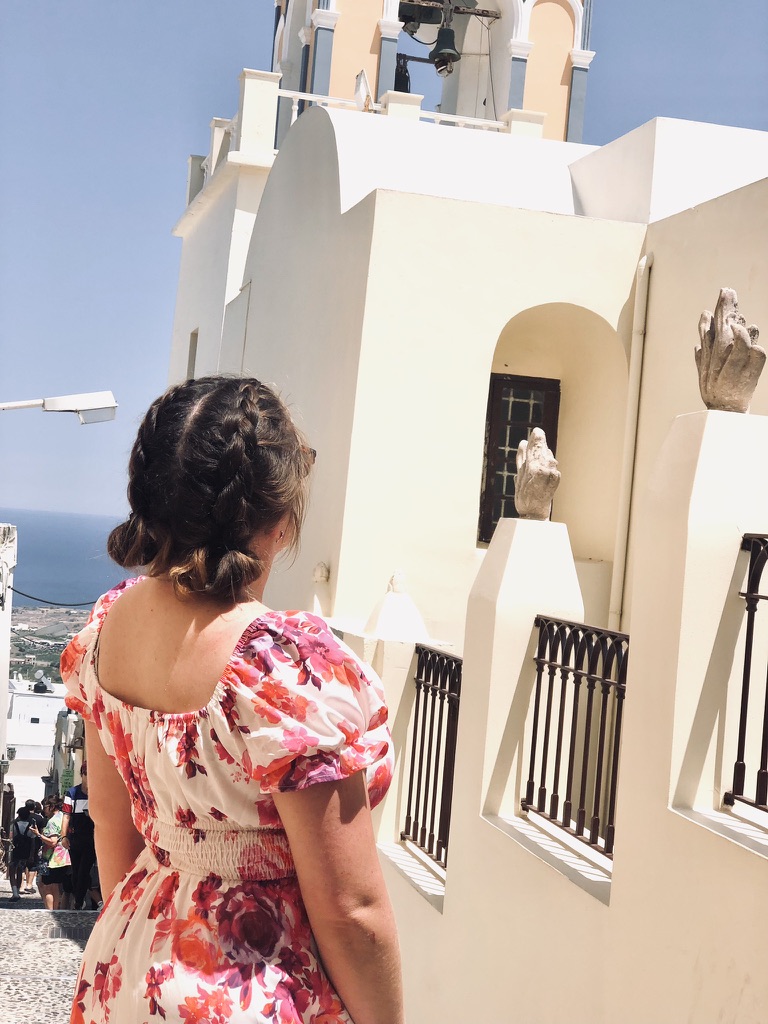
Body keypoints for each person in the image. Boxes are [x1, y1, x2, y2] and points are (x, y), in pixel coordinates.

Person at [60, 376, 404, 1024]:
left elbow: (111, 820)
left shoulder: (104, 632)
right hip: (249, 992)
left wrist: (138, 950)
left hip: (132, 964)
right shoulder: (285, 669)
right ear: (278, 521)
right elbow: (351, 912)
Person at [60, 763, 96, 909]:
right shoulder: (72, 793)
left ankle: (79, 900)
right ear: (82, 775)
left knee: (84, 870)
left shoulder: (98, 792)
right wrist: (64, 836)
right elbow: (66, 816)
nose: (89, 777)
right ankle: (78, 897)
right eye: (87, 774)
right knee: (76, 871)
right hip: (75, 837)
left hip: (92, 838)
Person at [32, 795, 72, 910]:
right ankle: (55, 910)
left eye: (45, 807)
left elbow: (53, 841)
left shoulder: (52, 821)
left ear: (51, 806)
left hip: (54, 858)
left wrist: (38, 834)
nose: (44, 810)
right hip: (64, 857)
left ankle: (50, 911)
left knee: (47, 886)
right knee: (56, 886)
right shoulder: (63, 817)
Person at [8, 806, 36, 900]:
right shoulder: (31, 827)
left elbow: (10, 838)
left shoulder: (14, 825)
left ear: (19, 815)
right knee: (20, 870)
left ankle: (15, 892)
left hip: (14, 851)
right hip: (25, 852)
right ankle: (18, 890)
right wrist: (31, 855)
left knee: (12, 871)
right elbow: (33, 842)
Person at [22, 798, 46, 894]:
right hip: (36, 842)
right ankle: (29, 885)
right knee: (33, 863)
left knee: (22, 863)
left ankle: (21, 886)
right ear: (34, 807)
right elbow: (42, 831)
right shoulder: (39, 818)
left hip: (22, 842)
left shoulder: (22, 816)